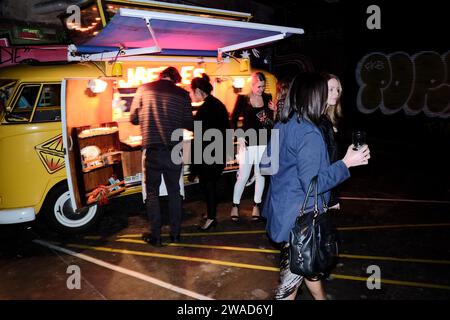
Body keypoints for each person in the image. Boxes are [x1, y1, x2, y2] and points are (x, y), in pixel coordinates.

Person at [261, 73, 370, 300]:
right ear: (312, 95)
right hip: (300, 220)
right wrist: (346, 163)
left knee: (306, 267)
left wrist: (288, 174)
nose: (332, 94)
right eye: (325, 90)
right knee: (288, 288)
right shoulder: (309, 132)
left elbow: (265, 164)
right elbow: (315, 183)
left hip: (282, 211)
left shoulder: (283, 123)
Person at [130, 66, 193, 247]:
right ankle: (175, 234)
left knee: (152, 193)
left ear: (161, 75)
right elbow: (188, 122)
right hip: (174, 150)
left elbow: (133, 118)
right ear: (175, 79)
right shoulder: (182, 94)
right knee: (175, 193)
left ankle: (156, 236)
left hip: (153, 150)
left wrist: (147, 115)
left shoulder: (143, 89)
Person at [189, 74, 230, 230]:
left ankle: (211, 218)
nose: (191, 95)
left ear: (199, 91)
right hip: (217, 152)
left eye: (192, 92)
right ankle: (210, 213)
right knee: (210, 184)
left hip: (209, 154)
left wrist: (194, 164)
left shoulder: (206, 109)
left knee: (208, 186)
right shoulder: (217, 104)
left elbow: (198, 136)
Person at [230, 72, 273, 222]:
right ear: (252, 85)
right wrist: (239, 135)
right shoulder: (242, 99)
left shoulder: (267, 98)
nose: (261, 89)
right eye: (258, 86)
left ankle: (257, 205)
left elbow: (269, 123)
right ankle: (235, 205)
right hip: (247, 142)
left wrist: (273, 112)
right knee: (243, 175)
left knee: (260, 175)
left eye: (263, 86)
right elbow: (233, 119)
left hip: (263, 141)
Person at [318, 73, 343, 209]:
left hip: (326, 186)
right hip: (320, 189)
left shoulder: (327, 118)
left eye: (338, 89)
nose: (336, 93)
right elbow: (322, 161)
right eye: (331, 89)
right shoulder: (319, 121)